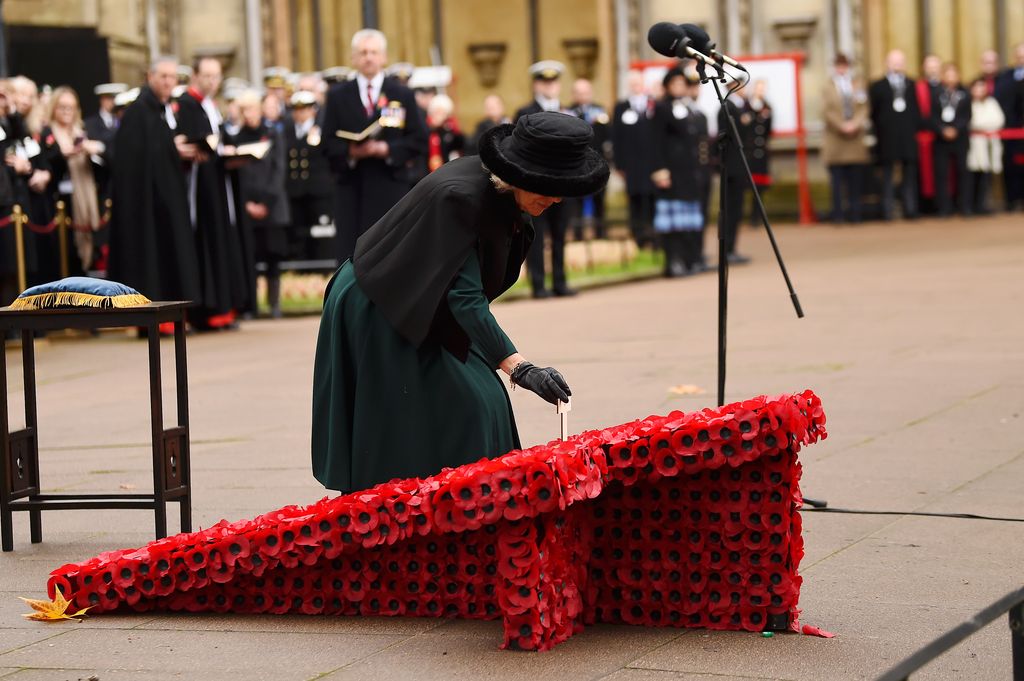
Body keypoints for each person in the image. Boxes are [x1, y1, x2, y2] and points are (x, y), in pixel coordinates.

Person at [311, 111, 608, 493]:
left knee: (483, 399)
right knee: (468, 405)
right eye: (546, 185)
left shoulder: (508, 198)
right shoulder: (462, 199)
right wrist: (520, 367)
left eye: (561, 186)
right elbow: (465, 298)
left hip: (425, 296)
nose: (555, 197)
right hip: (380, 300)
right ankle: (403, 509)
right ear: (517, 174)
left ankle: (470, 507)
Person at [321, 28, 428, 262]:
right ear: (353, 58)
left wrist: (386, 150)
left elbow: (419, 139)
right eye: (363, 52)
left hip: (390, 186)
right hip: (351, 188)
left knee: (391, 252)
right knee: (352, 254)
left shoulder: (401, 94)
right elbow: (326, 143)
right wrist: (350, 152)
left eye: (373, 52)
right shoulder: (338, 96)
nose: (368, 57)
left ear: (383, 57)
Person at [107, 56, 202, 304]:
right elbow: (134, 160)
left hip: (168, 199)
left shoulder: (166, 110)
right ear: (150, 77)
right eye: (163, 76)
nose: (168, 82)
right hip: (148, 205)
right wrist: (173, 149)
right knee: (154, 257)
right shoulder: (138, 112)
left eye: (172, 77)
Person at [175, 55, 248, 328]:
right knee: (206, 242)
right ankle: (207, 311)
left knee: (221, 241)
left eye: (216, 76)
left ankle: (222, 309)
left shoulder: (210, 106)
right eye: (207, 76)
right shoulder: (186, 105)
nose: (212, 81)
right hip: (201, 190)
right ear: (195, 76)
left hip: (218, 185)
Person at [225, 90, 291, 318]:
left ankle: (274, 304)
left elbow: (278, 170)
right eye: (244, 110)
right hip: (246, 208)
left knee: (273, 257)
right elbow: (237, 175)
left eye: (252, 108)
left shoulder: (273, 134)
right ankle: (249, 305)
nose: (248, 114)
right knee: (249, 258)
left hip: (272, 207)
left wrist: (265, 203)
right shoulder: (236, 137)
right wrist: (246, 204)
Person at [515, 60, 575, 298]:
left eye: (553, 81)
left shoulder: (568, 111)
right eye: (544, 81)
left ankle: (560, 281)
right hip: (536, 183)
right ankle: (538, 284)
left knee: (560, 234)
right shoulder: (525, 113)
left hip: (562, 182)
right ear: (536, 84)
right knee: (536, 236)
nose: (549, 86)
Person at [41, 86, 104, 274]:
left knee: (85, 249)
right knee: (65, 251)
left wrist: (94, 150)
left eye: (71, 107)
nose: (67, 112)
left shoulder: (81, 131)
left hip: (84, 197)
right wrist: (64, 155)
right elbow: (47, 165)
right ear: (54, 108)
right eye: (62, 107)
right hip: (60, 202)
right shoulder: (48, 133)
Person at [651, 66, 707, 276]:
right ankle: (673, 261)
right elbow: (655, 141)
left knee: (688, 222)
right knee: (672, 223)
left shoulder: (688, 107)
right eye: (675, 84)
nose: (679, 87)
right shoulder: (661, 107)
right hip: (670, 172)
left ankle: (690, 258)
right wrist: (660, 170)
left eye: (682, 84)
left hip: (688, 172)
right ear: (667, 86)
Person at [869, 49, 921, 220]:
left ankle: (910, 209)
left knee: (909, 175)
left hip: (907, 137)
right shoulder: (878, 86)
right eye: (894, 61)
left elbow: (916, 111)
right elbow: (874, 113)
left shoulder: (911, 84)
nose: (897, 65)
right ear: (887, 63)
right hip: (887, 138)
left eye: (900, 62)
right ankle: (887, 210)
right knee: (887, 176)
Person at [284, 90, 335, 262]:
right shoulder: (288, 131)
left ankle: (321, 263)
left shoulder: (320, 130)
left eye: (304, 109)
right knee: (298, 231)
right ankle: (300, 263)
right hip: (295, 190)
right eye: (296, 109)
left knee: (321, 230)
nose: (300, 113)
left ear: (313, 110)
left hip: (317, 189)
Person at [822, 53, 870, 224]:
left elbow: (864, 108)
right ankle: (838, 215)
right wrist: (841, 125)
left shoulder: (858, 84)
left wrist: (855, 124)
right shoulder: (828, 86)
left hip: (854, 139)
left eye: (844, 65)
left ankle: (855, 214)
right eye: (839, 65)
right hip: (836, 139)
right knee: (837, 181)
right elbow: (827, 111)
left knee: (855, 180)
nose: (841, 69)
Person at [611, 69, 656, 248]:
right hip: (632, 165)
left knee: (651, 199)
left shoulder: (653, 105)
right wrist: (620, 164)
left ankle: (652, 235)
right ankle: (638, 237)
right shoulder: (621, 107)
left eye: (638, 83)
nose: (635, 86)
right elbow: (616, 138)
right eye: (632, 84)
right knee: (635, 200)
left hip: (651, 165)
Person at [566, 78, 611, 240]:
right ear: (573, 94)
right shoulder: (567, 112)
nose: (582, 95)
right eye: (579, 92)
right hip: (575, 164)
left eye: (585, 92)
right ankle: (578, 235)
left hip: (596, 162)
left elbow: (606, 136)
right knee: (575, 200)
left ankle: (600, 234)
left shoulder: (600, 111)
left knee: (599, 198)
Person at [717, 81, 754, 263]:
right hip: (731, 168)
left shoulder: (739, 107)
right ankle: (728, 250)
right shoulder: (727, 108)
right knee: (731, 210)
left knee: (737, 210)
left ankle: (732, 248)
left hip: (738, 166)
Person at [930, 63, 971, 217]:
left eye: (954, 74)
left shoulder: (965, 93)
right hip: (941, 139)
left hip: (960, 138)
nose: (950, 77)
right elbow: (932, 116)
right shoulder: (936, 94)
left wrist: (956, 129)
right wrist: (942, 130)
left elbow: (967, 116)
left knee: (963, 173)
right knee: (941, 174)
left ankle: (965, 206)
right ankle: (944, 208)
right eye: (947, 74)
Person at [966, 77, 1004, 215]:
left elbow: (998, 120)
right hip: (974, 145)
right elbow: (971, 122)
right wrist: (984, 125)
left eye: (982, 87)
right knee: (972, 175)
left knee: (987, 177)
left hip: (990, 144)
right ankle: (972, 205)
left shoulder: (991, 102)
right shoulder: (968, 103)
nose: (979, 90)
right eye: (976, 87)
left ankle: (984, 204)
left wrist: (982, 125)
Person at [995, 43, 1024, 210]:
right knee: (1011, 166)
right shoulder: (1006, 76)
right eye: (1019, 56)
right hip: (1011, 130)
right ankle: (1012, 200)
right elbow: (1001, 101)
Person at [915, 54, 942, 213]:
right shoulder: (918, 87)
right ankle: (925, 206)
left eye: (935, 66)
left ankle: (943, 205)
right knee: (923, 175)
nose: (932, 69)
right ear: (924, 68)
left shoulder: (946, 87)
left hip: (942, 136)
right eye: (929, 66)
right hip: (924, 136)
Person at [746, 79, 773, 226]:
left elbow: (768, 130)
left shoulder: (768, 107)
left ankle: (757, 216)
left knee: (760, 188)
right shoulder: (747, 106)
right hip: (749, 152)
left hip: (761, 152)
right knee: (747, 185)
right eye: (758, 88)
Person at [425, 94, 464, 173]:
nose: (439, 115)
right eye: (437, 112)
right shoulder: (426, 126)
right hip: (428, 168)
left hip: (448, 165)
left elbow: (459, 143)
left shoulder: (450, 127)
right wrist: (433, 128)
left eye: (442, 112)